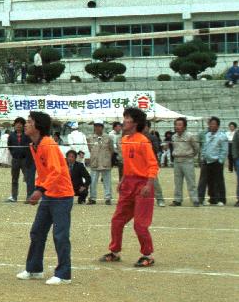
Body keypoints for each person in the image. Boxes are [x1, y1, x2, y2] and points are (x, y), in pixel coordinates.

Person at [17, 111, 74, 285]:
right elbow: (43, 171)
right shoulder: (34, 145)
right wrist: (38, 189)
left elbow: (56, 171)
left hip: (62, 196)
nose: (25, 124)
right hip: (49, 194)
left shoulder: (48, 144)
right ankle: (34, 269)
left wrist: (39, 190)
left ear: (38, 126)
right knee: (37, 231)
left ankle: (64, 274)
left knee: (60, 235)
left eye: (29, 122)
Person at [100, 108, 160, 267]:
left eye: (126, 118)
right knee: (117, 219)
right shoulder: (125, 140)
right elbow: (128, 164)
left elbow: (153, 164)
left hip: (143, 184)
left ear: (135, 122)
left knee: (140, 224)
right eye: (124, 117)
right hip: (129, 183)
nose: (123, 120)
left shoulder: (143, 141)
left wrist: (149, 184)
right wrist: (123, 180)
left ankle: (147, 255)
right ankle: (114, 252)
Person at [198, 116, 229, 206]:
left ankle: (221, 199)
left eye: (214, 124)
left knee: (219, 181)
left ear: (218, 126)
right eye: (210, 124)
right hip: (206, 161)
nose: (212, 126)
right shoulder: (206, 135)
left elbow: (224, 150)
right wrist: (203, 157)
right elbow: (204, 147)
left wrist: (220, 160)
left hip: (216, 161)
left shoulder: (222, 136)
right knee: (205, 181)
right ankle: (208, 199)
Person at [170, 117, 200, 206]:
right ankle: (177, 200)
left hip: (187, 160)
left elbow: (196, 148)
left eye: (179, 125)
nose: (177, 127)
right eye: (176, 125)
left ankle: (195, 200)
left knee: (191, 181)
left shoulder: (190, 136)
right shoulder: (173, 136)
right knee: (177, 181)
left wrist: (190, 156)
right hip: (177, 161)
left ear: (184, 126)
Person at [6, 117, 35, 203]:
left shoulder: (27, 135)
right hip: (15, 159)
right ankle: (14, 197)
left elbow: (31, 146)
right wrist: (14, 153)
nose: (18, 125)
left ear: (23, 125)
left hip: (25, 160)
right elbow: (9, 146)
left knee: (28, 178)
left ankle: (29, 196)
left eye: (20, 123)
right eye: (16, 123)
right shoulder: (11, 136)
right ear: (14, 125)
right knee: (14, 179)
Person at [86, 120, 114, 205]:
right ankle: (92, 198)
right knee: (93, 181)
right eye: (96, 126)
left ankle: (108, 198)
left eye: (99, 126)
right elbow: (90, 149)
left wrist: (107, 157)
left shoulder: (108, 138)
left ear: (102, 127)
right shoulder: (89, 138)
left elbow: (111, 149)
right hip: (95, 161)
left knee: (107, 181)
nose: (97, 128)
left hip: (105, 161)